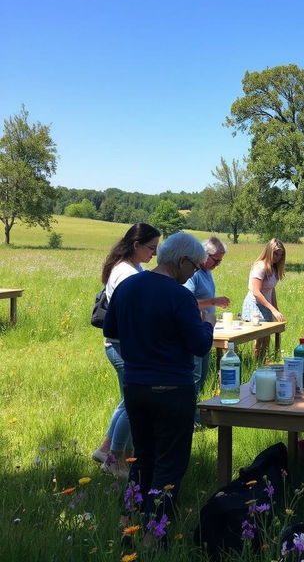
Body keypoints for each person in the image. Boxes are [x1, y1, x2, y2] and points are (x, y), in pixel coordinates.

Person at [103, 232, 213, 541]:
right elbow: (200, 346)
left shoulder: (127, 287)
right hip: (173, 390)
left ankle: (127, 524)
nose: (195, 273)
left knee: (142, 458)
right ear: (181, 261)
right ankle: (154, 536)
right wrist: (207, 324)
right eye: (195, 267)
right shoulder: (180, 296)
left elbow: (111, 329)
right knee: (169, 463)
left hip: (136, 387)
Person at [92, 222, 161, 478]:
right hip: (123, 347)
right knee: (133, 405)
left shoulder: (132, 267)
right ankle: (113, 459)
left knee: (126, 402)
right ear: (136, 245)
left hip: (121, 345)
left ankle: (110, 450)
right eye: (151, 248)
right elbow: (132, 314)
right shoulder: (126, 274)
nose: (154, 253)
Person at [184, 236, 231, 422]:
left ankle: (194, 414)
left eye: (221, 260)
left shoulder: (206, 272)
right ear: (204, 254)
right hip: (194, 331)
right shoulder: (193, 274)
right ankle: (188, 417)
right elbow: (186, 302)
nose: (217, 264)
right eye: (216, 260)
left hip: (205, 330)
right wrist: (213, 302)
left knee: (202, 375)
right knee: (194, 376)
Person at [241, 238, 286, 360]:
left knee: (266, 337)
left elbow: (271, 289)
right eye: (276, 253)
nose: (279, 257)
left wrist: (276, 309)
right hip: (255, 305)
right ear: (269, 251)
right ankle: (255, 364)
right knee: (259, 338)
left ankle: (262, 363)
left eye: (281, 254)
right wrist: (273, 309)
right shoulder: (260, 267)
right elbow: (256, 292)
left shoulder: (274, 268)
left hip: (266, 305)